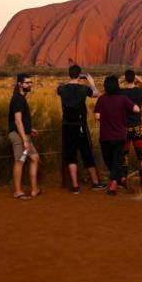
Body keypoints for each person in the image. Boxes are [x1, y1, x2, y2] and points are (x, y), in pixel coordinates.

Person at [57, 65, 105, 194]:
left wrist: (68, 82)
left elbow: (60, 88)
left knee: (71, 155)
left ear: (69, 74)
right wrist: (91, 82)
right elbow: (96, 94)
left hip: (67, 126)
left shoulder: (61, 89)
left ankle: (75, 186)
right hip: (81, 126)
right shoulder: (84, 89)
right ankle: (95, 183)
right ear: (79, 75)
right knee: (87, 153)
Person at [93, 75, 140, 195]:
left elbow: (97, 116)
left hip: (105, 136)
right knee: (116, 160)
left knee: (109, 160)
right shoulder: (123, 99)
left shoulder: (102, 99)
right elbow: (136, 109)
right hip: (120, 135)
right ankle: (121, 178)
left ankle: (113, 185)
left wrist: (105, 117)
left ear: (105, 87)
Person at [120, 69, 142, 187]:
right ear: (134, 79)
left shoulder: (121, 92)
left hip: (124, 129)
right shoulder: (140, 91)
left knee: (124, 154)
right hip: (137, 128)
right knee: (141, 155)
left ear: (126, 79)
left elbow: (107, 91)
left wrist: (120, 81)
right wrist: (141, 80)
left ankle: (124, 179)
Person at [8, 73, 41, 199]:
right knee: (20, 161)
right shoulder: (17, 99)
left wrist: (29, 129)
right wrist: (24, 139)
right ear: (20, 84)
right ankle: (18, 191)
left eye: (30, 82)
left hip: (24, 134)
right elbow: (17, 121)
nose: (29, 85)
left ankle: (34, 190)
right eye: (27, 82)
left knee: (34, 158)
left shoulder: (21, 98)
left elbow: (21, 120)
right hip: (19, 136)